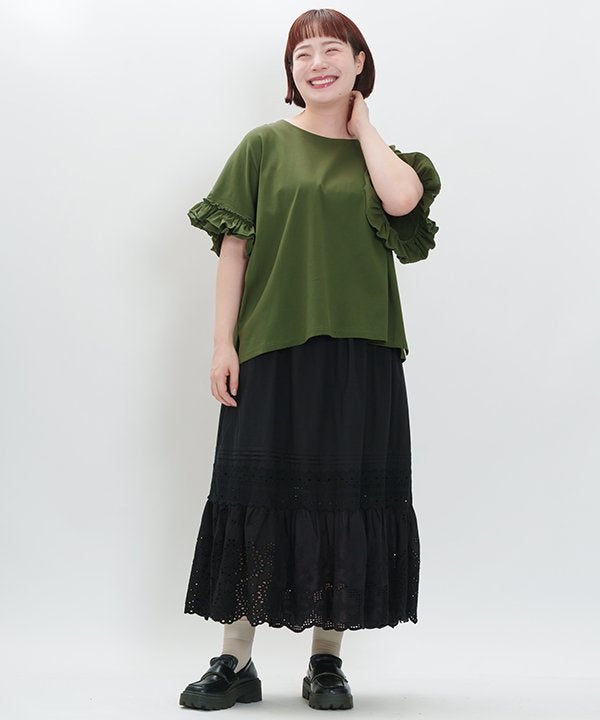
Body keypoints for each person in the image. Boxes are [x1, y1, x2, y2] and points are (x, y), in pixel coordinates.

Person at [179, 7, 441, 712]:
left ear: (359, 62)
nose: (316, 64)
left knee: (343, 499)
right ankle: (235, 659)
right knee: (255, 496)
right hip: (272, 345)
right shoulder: (263, 145)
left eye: (332, 50)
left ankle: (327, 660)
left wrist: (363, 126)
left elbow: (403, 200)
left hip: (362, 352)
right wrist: (222, 343)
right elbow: (234, 250)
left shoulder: (382, 158)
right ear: (290, 72)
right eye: (302, 55)